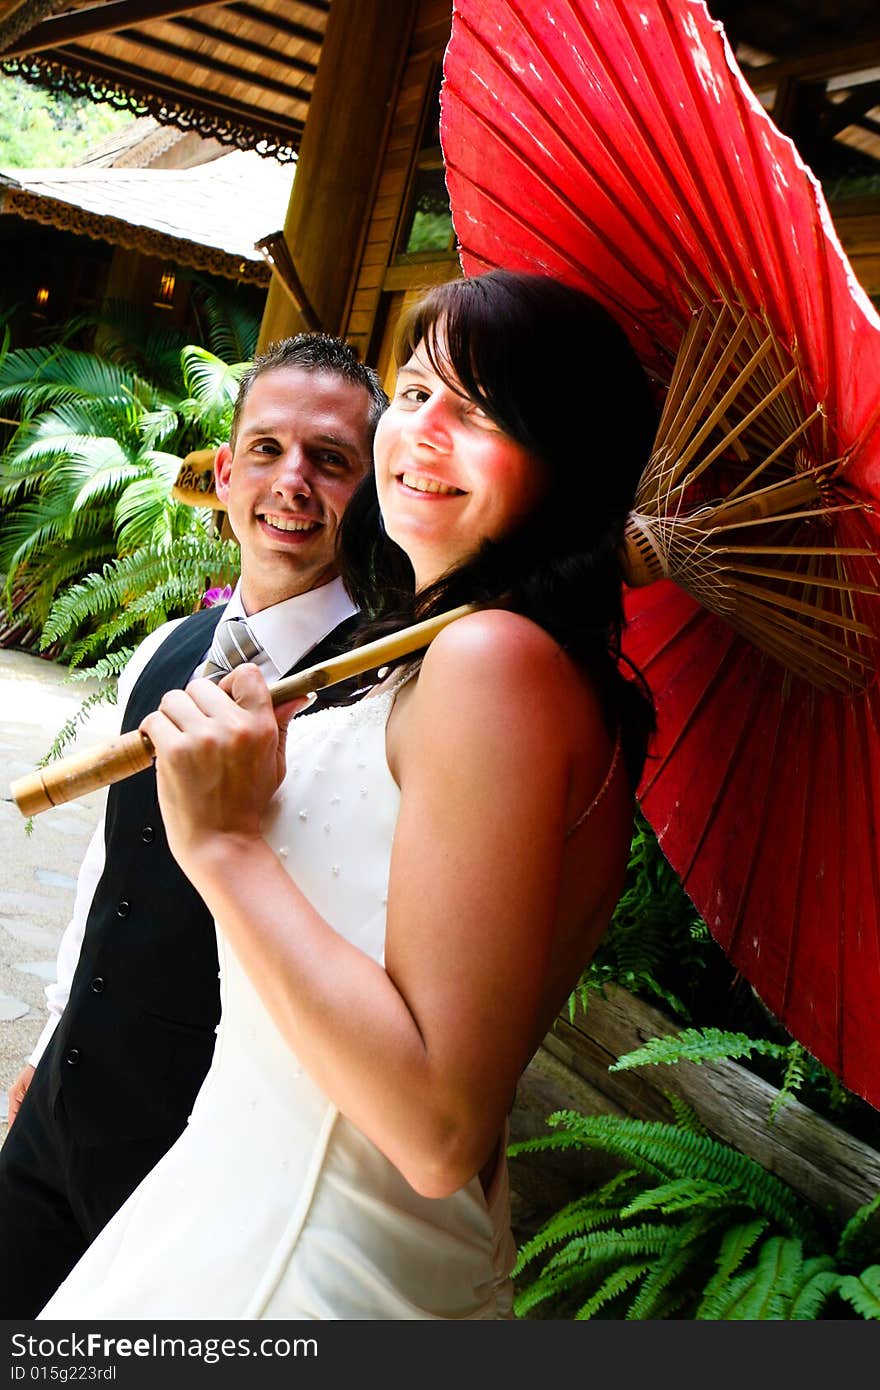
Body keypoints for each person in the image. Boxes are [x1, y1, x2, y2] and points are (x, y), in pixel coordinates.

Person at [38, 269, 657, 1321]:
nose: (424, 432)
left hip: (304, 1260)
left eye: (482, 410)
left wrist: (226, 846)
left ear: (565, 460)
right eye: (416, 391)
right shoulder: (478, 660)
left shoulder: (492, 663)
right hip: (237, 1206)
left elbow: (435, 1130)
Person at [0, 333, 388, 1318]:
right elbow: (107, 866)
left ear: (372, 493)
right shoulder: (165, 652)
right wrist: (50, 1045)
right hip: (61, 1113)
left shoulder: (378, 698)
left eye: (330, 460)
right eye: (266, 449)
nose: (291, 481)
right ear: (223, 473)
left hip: (203, 1152)